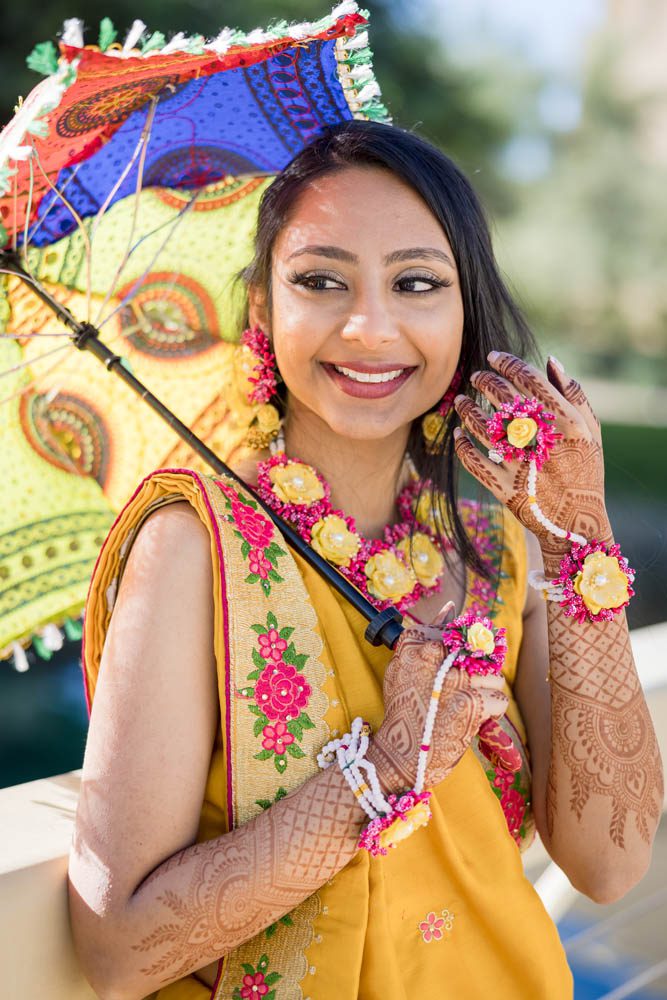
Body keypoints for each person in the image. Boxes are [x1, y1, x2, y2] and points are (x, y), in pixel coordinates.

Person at [67, 121, 663, 1000]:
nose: (368, 326)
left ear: (465, 317)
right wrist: (384, 771)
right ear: (264, 311)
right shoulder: (194, 542)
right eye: (319, 280)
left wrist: (575, 535)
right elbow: (117, 952)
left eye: (417, 282)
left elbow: (609, 864)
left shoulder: (493, 547)